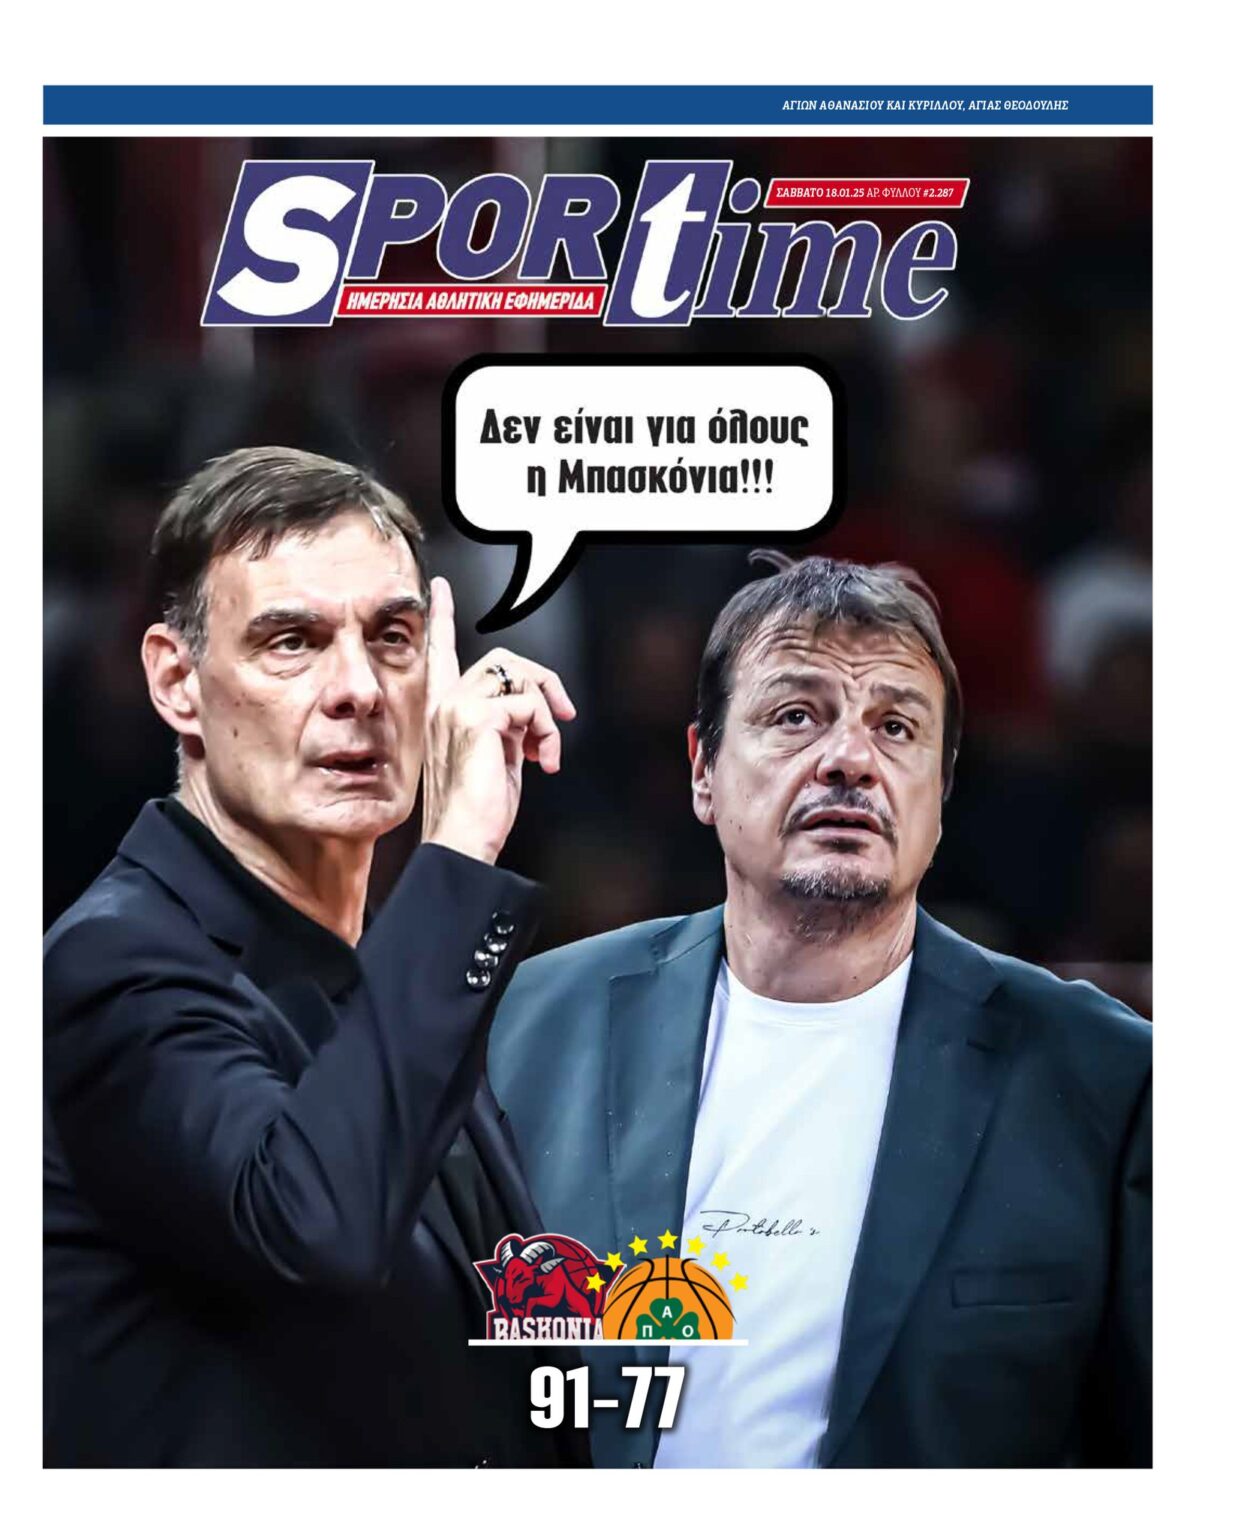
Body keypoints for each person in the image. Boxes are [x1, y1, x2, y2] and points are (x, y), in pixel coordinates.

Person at [489, 552, 1151, 1469]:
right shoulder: (531, 1026)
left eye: (897, 727)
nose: (849, 760)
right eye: (795, 716)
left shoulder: (1105, 1079)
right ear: (704, 771)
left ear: (940, 792)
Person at [44, 446, 586, 1468]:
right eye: (291, 642)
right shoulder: (113, 964)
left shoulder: (380, 969)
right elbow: (315, 1224)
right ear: (177, 682)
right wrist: (458, 846)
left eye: (392, 638)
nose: (360, 690)